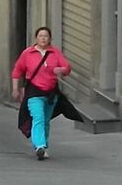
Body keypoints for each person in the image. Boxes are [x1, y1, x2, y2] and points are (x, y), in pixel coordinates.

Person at [12, 27, 82, 160]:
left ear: (50, 38)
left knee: (45, 121)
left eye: (46, 36)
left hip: (51, 94)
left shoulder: (55, 53)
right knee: (38, 117)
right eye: (40, 36)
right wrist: (15, 89)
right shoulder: (28, 53)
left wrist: (61, 70)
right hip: (34, 92)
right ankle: (39, 145)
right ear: (36, 38)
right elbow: (17, 71)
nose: (43, 38)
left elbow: (67, 68)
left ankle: (43, 146)